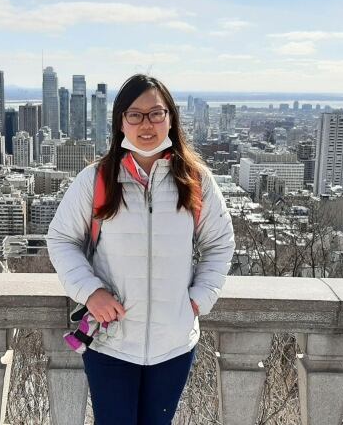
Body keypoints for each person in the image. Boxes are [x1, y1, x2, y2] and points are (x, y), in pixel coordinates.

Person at [46, 74, 235, 424]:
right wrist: (91, 292)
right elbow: (61, 239)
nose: (146, 124)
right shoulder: (97, 179)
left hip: (173, 345)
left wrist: (196, 300)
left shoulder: (196, 180)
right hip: (111, 343)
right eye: (135, 114)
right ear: (120, 121)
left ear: (171, 118)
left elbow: (219, 244)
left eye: (156, 113)